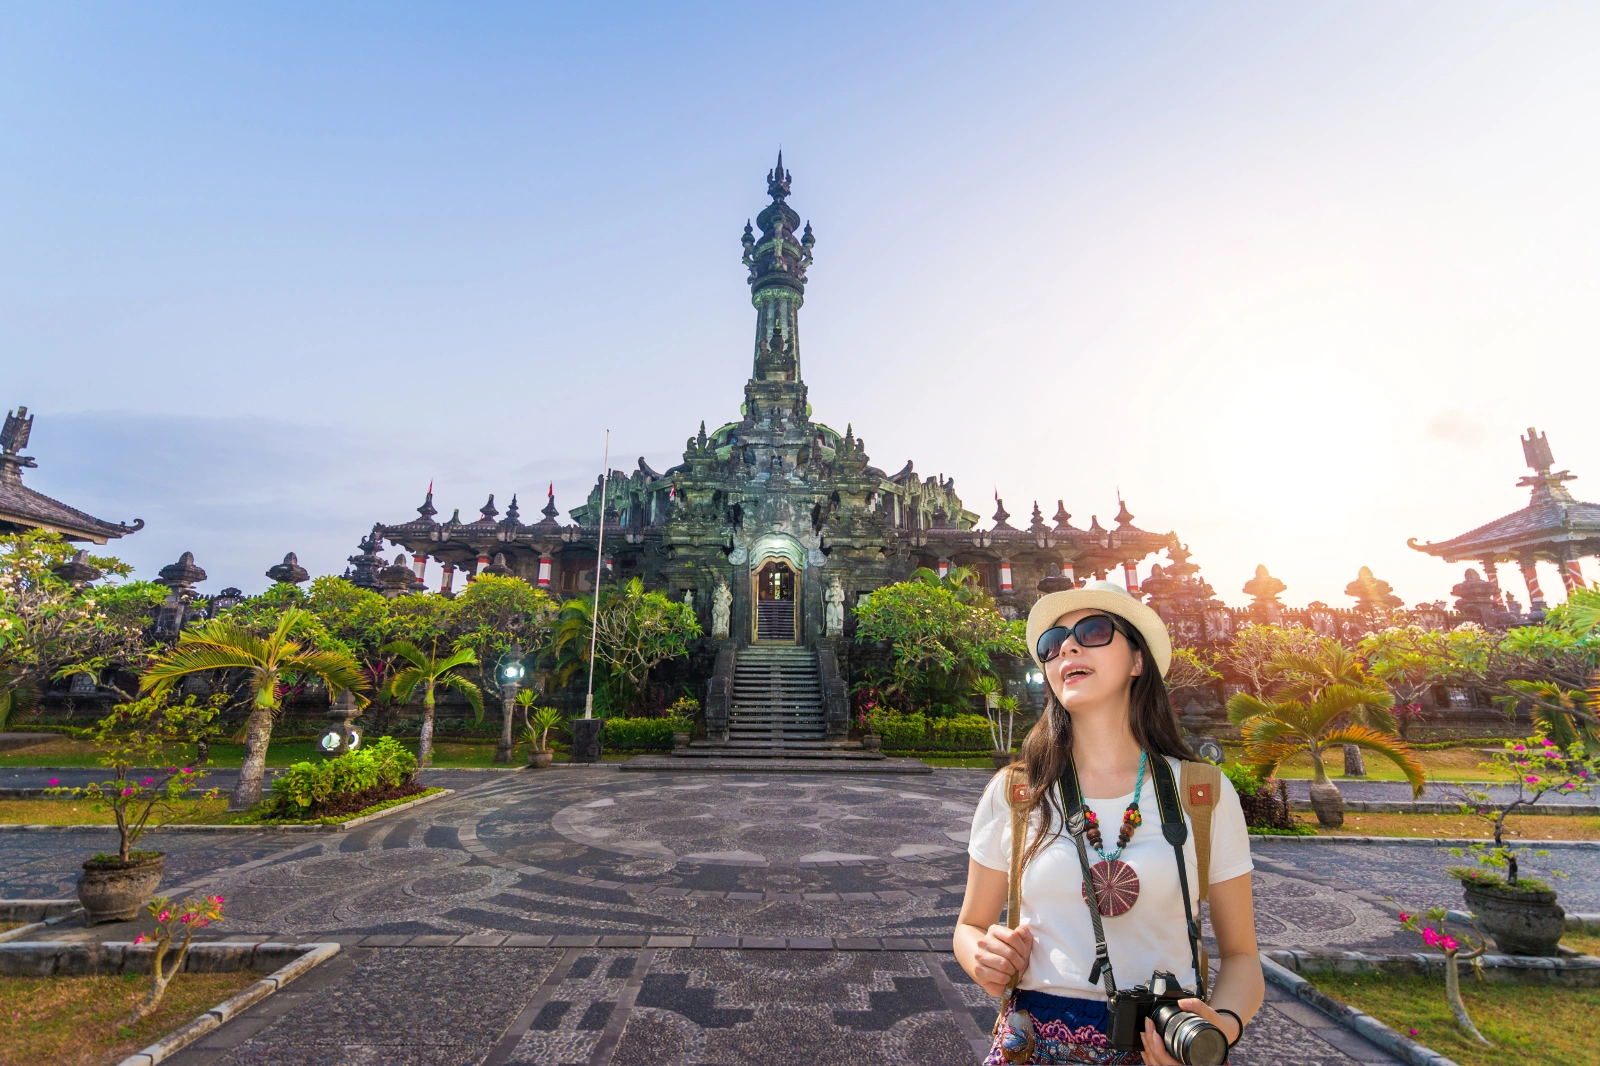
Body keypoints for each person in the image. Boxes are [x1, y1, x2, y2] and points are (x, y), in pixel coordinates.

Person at [955, 581, 1263, 1064]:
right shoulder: (1017, 793)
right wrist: (982, 957)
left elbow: (1242, 955)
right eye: (1051, 645)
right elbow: (969, 926)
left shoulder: (1201, 794)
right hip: (1033, 1044)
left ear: (1137, 661)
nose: (1068, 648)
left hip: (1159, 1043)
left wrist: (1217, 1030)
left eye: (1093, 630)